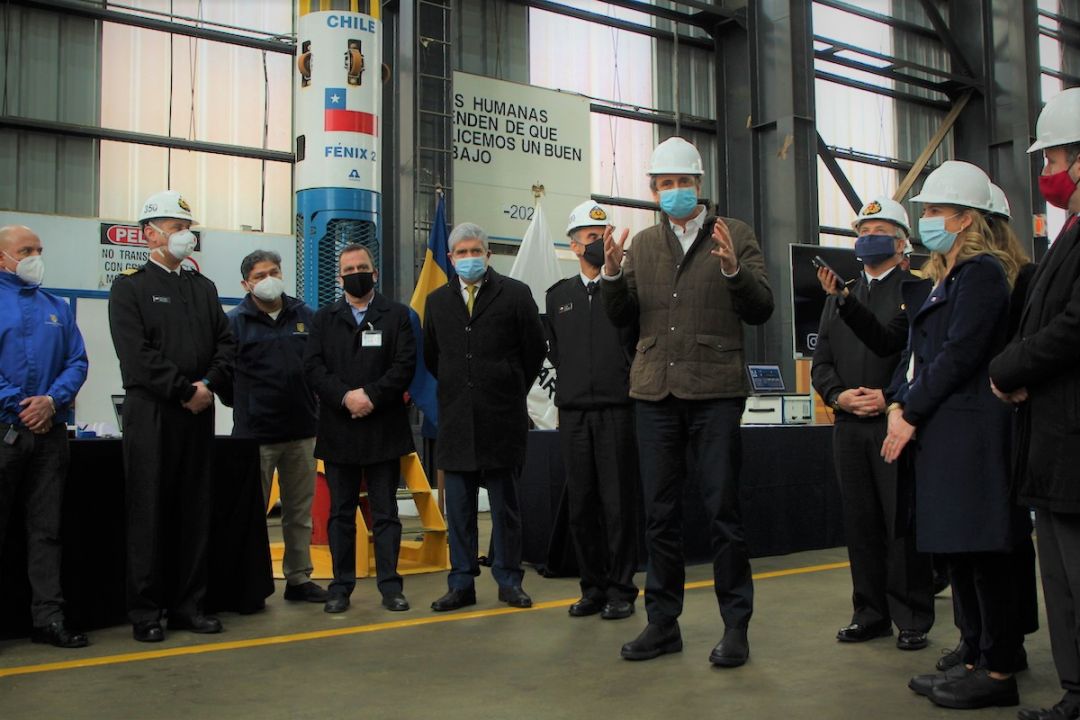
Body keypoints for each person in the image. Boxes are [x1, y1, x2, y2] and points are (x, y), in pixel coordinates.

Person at [601, 136, 774, 666]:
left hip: (715, 391)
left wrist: (732, 271)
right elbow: (622, 318)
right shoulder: (644, 245)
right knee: (659, 514)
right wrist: (610, 275)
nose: (676, 191)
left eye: (684, 182)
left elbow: (762, 307)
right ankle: (662, 624)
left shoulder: (734, 234)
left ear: (701, 186)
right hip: (655, 391)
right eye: (665, 184)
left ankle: (736, 627)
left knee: (723, 509)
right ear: (654, 190)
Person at [876, 161, 1023, 710]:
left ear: (965, 219)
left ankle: (999, 668)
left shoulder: (982, 273)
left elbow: (959, 353)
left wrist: (909, 411)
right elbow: (919, 357)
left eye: (936, 211)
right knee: (961, 556)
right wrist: (899, 402)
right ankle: (975, 659)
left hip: (971, 431)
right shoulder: (949, 279)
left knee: (985, 554)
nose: (928, 221)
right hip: (946, 431)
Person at [108, 191, 235, 642]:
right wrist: (183, 390)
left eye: (187, 227)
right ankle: (146, 611)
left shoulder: (202, 288)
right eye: (176, 227)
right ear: (150, 233)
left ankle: (189, 605)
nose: (186, 235)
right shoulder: (129, 287)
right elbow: (137, 356)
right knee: (149, 512)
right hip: (153, 414)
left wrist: (208, 387)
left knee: (193, 510)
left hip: (197, 414)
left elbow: (226, 344)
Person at [990, 86, 1080, 720]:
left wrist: (1008, 367)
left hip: (1072, 439)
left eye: (1051, 160)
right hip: (1051, 440)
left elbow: (1073, 326)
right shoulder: (1065, 235)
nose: (1045, 174)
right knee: (1062, 579)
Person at [811, 197, 935, 652]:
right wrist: (837, 394)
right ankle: (870, 612)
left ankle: (912, 616)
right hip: (848, 423)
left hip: (894, 421)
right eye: (862, 231)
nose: (867, 238)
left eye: (879, 230)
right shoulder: (840, 295)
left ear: (902, 242)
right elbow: (821, 359)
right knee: (860, 521)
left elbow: (906, 353)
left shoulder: (916, 292)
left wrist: (888, 398)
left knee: (900, 522)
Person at [423, 222, 546, 612]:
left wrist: (508, 385)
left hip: (502, 418)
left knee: (505, 508)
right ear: (450, 258)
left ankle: (509, 581)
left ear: (489, 254)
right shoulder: (437, 301)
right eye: (462, 252)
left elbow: (534, 351)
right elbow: (432, 356)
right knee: (458, 510)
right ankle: (461, 583)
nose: (469, 258)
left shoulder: (515, 294)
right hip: (457, 420)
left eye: (476, 250)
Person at [303, 243, 415, 613]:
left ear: (375, 272)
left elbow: (404, 365)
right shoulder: (323, 318)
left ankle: (390, 587)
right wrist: (345, 397)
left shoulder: (397, 315)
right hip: (339, 430)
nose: (356, 273)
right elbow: (314, 368)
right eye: (348, 269)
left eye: (362, 267)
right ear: (340, 277)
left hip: (384, 429)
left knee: (385, 514)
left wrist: (370, 395)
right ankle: (340, 587)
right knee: (341, 514)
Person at [545, 200, 640, 621]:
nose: (599, 243)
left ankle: (622, 589)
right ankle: (592, 588)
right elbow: (554, 353)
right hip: (574, 414)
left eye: (604, 237)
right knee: (582, 505)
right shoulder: (558, 296)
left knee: (618, 505)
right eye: (590, 238)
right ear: (573, 245)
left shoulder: (626, 290)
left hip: (618, 411)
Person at [0, 224, 89, 649]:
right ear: (2, 257)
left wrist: (51, 402)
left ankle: (47, 619)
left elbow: (77, 361)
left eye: (39, 248)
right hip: (4, 431)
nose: (36, 255)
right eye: (25, 250)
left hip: (50, 436)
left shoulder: (57, 306)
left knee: (46, 530)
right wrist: (21, 404)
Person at [228, 250, 328, 605]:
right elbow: (224, 377)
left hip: (302, 430)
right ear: (246, 284)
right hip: (255, 436)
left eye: (274, 271)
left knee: (299, 513)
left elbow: (320, 366)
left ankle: (299, 579)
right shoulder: (234, 323)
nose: (268, 279)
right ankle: (249, 583)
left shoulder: (306, 316)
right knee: (250, 515)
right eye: (259, 275)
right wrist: (247, 406)